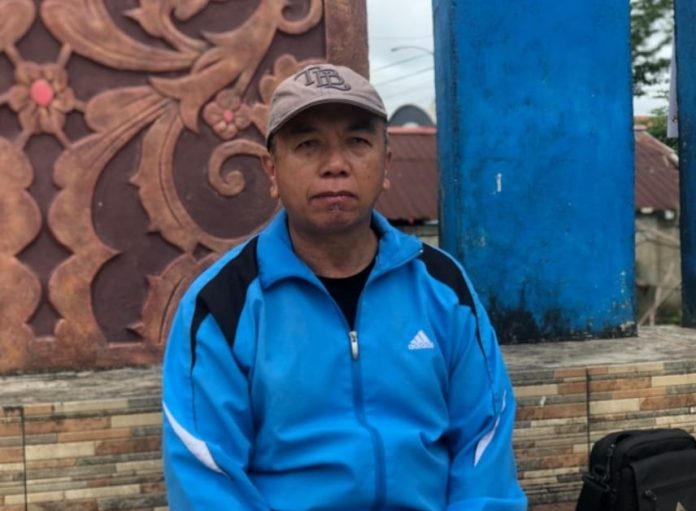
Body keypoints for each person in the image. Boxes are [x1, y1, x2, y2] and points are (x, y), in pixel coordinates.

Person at [162, 63, 527, 510]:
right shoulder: (222, 305)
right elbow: (207, 481)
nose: (335, 165)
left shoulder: (442, 286)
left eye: (357, 142)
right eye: (308, 145)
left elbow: (483, 448)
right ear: (271, 170)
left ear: (386, 164)